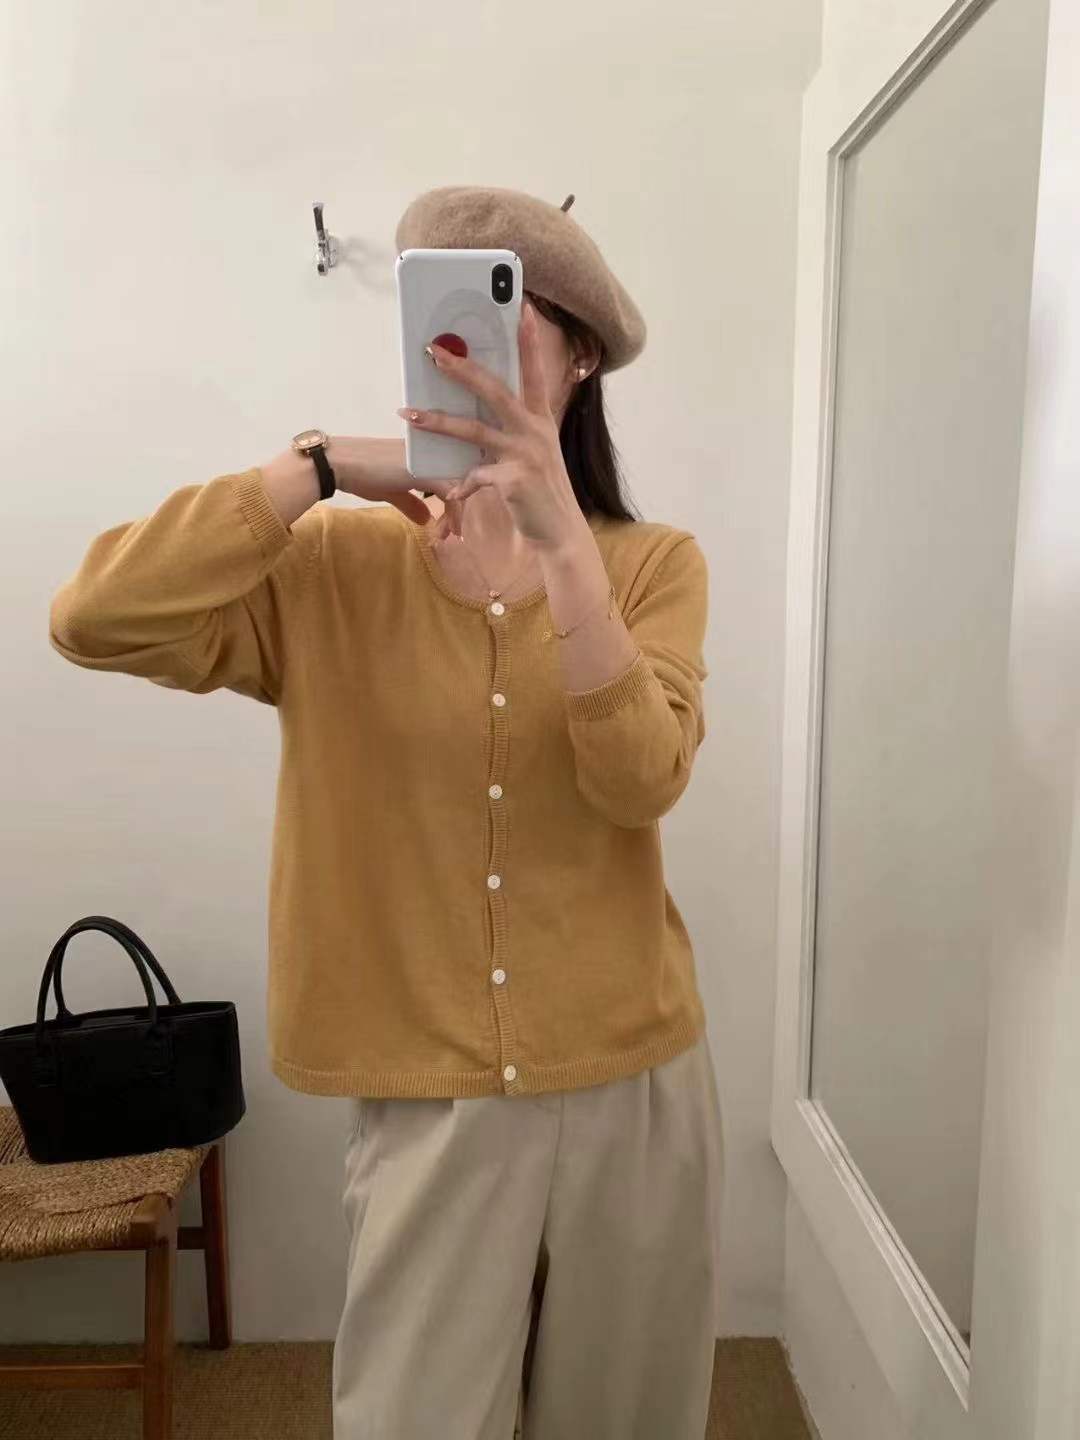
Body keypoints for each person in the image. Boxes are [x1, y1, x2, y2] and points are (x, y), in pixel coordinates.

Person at [48, 184, 725, 1439]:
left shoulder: (650, 564)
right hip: (428, 1096)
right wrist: (312, 470)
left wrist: (566, 556)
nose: (468, 345)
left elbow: (641, 780)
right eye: (440, 310)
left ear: (581, 355)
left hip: (632, 1080)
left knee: (625, 1416)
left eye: (508, 308)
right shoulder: (327, 565)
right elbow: (92, 619)